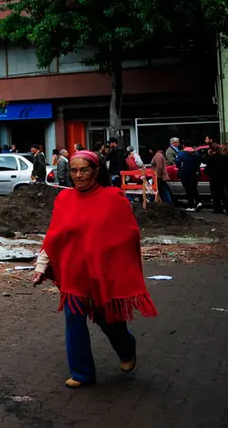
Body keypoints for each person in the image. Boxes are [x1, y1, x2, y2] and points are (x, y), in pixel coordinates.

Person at [32, 150, 157, 388]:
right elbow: (54, 236)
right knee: (74, 320)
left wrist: (107, 252)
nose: (78, 176)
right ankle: (82, 373)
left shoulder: (113, 198)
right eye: (74, 170)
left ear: (96, 171)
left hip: (103, 274)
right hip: (74, 274)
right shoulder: (64, 199)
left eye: (84, 170)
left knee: (109, 321)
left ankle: (127, 349)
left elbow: (128, 235)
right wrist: (41, 266)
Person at [202, 144, 228, 214]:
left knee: (215, 194)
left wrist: (208, 154)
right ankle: (227, 209)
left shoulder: (212, 158)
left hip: (214, 179)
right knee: (223, 194)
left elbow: (206, 170)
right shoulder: (225, 158)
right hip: (224, 179)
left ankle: (218, 209)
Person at [176, 145, 203, 211]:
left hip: (185, 174)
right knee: (194, 189)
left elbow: (177, 161)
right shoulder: (196, 153)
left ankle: (191, 206)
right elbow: (199, 162)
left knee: (188, 190)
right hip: (195, 174)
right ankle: (198, 202)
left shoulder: (182, 153)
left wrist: (180, 166)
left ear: (184, 145)